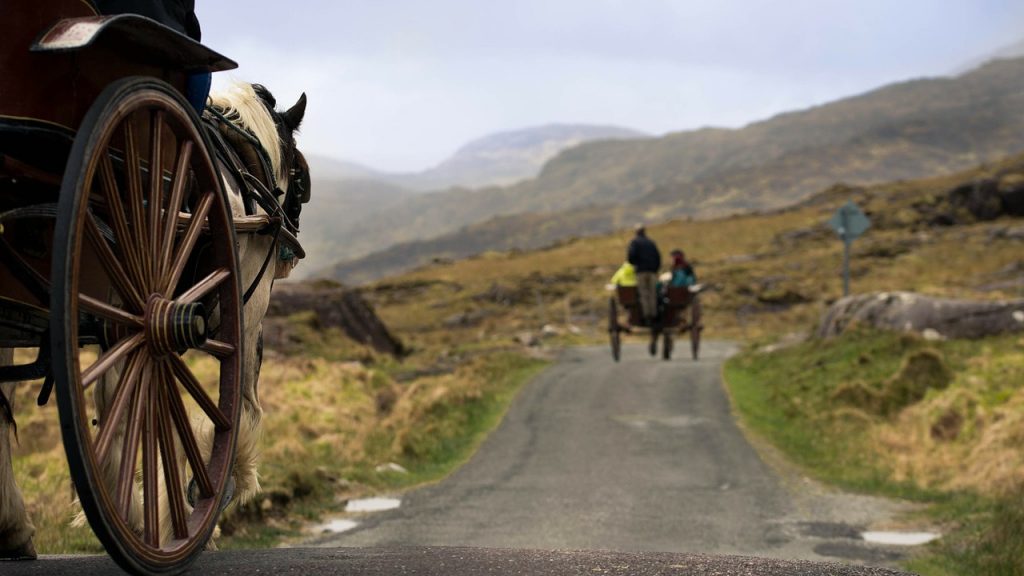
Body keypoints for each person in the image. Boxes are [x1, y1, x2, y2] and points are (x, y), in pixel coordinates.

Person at [93, 0, 210, 113]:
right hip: (161, 53)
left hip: (104, 37)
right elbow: (193, 34)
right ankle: (188, 128)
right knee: (202, 71)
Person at [627, 224, 661, 324]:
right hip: (652, 272)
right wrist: (655, 269)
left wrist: (635, 264)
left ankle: (647, 316)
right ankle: (654, 314)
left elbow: (631, 256)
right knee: (652, 293)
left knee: (643, 293)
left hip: (641, 271)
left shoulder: (635, 242)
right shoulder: (651, 243)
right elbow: (658, 257)